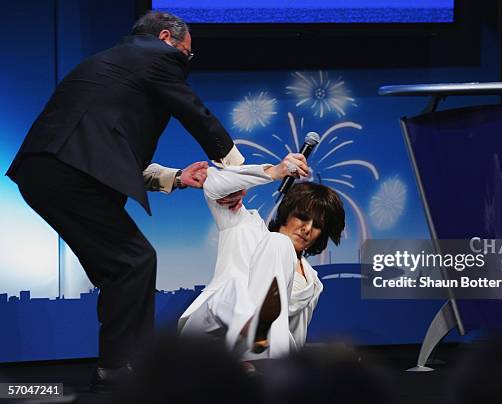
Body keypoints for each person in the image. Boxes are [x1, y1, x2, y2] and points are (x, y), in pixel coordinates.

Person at [4, 11, 244, 391]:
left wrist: (178, 178)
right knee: (134, 261)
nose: (185, 63)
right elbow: (197, 114)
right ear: (166, 38)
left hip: (48, 172)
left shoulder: (116, 65)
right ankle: (124, 369)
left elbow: (108, 155)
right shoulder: (154, 55)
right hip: (66, 171)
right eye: (187, 54)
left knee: (121, 269)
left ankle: (118, 369)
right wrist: (236, 171)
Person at [178, 153, 345, 363]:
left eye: (318, 225)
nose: (307, 229)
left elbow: (295, 336)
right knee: (235, 288)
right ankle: (254, 331)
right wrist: (275, 172)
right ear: (287, 213)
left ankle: (263, 356)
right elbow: (213, 185)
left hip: (256, 355)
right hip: (208, 335)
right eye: (302, 217)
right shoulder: (244, 225)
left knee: (280, 340)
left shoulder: (312, 283)